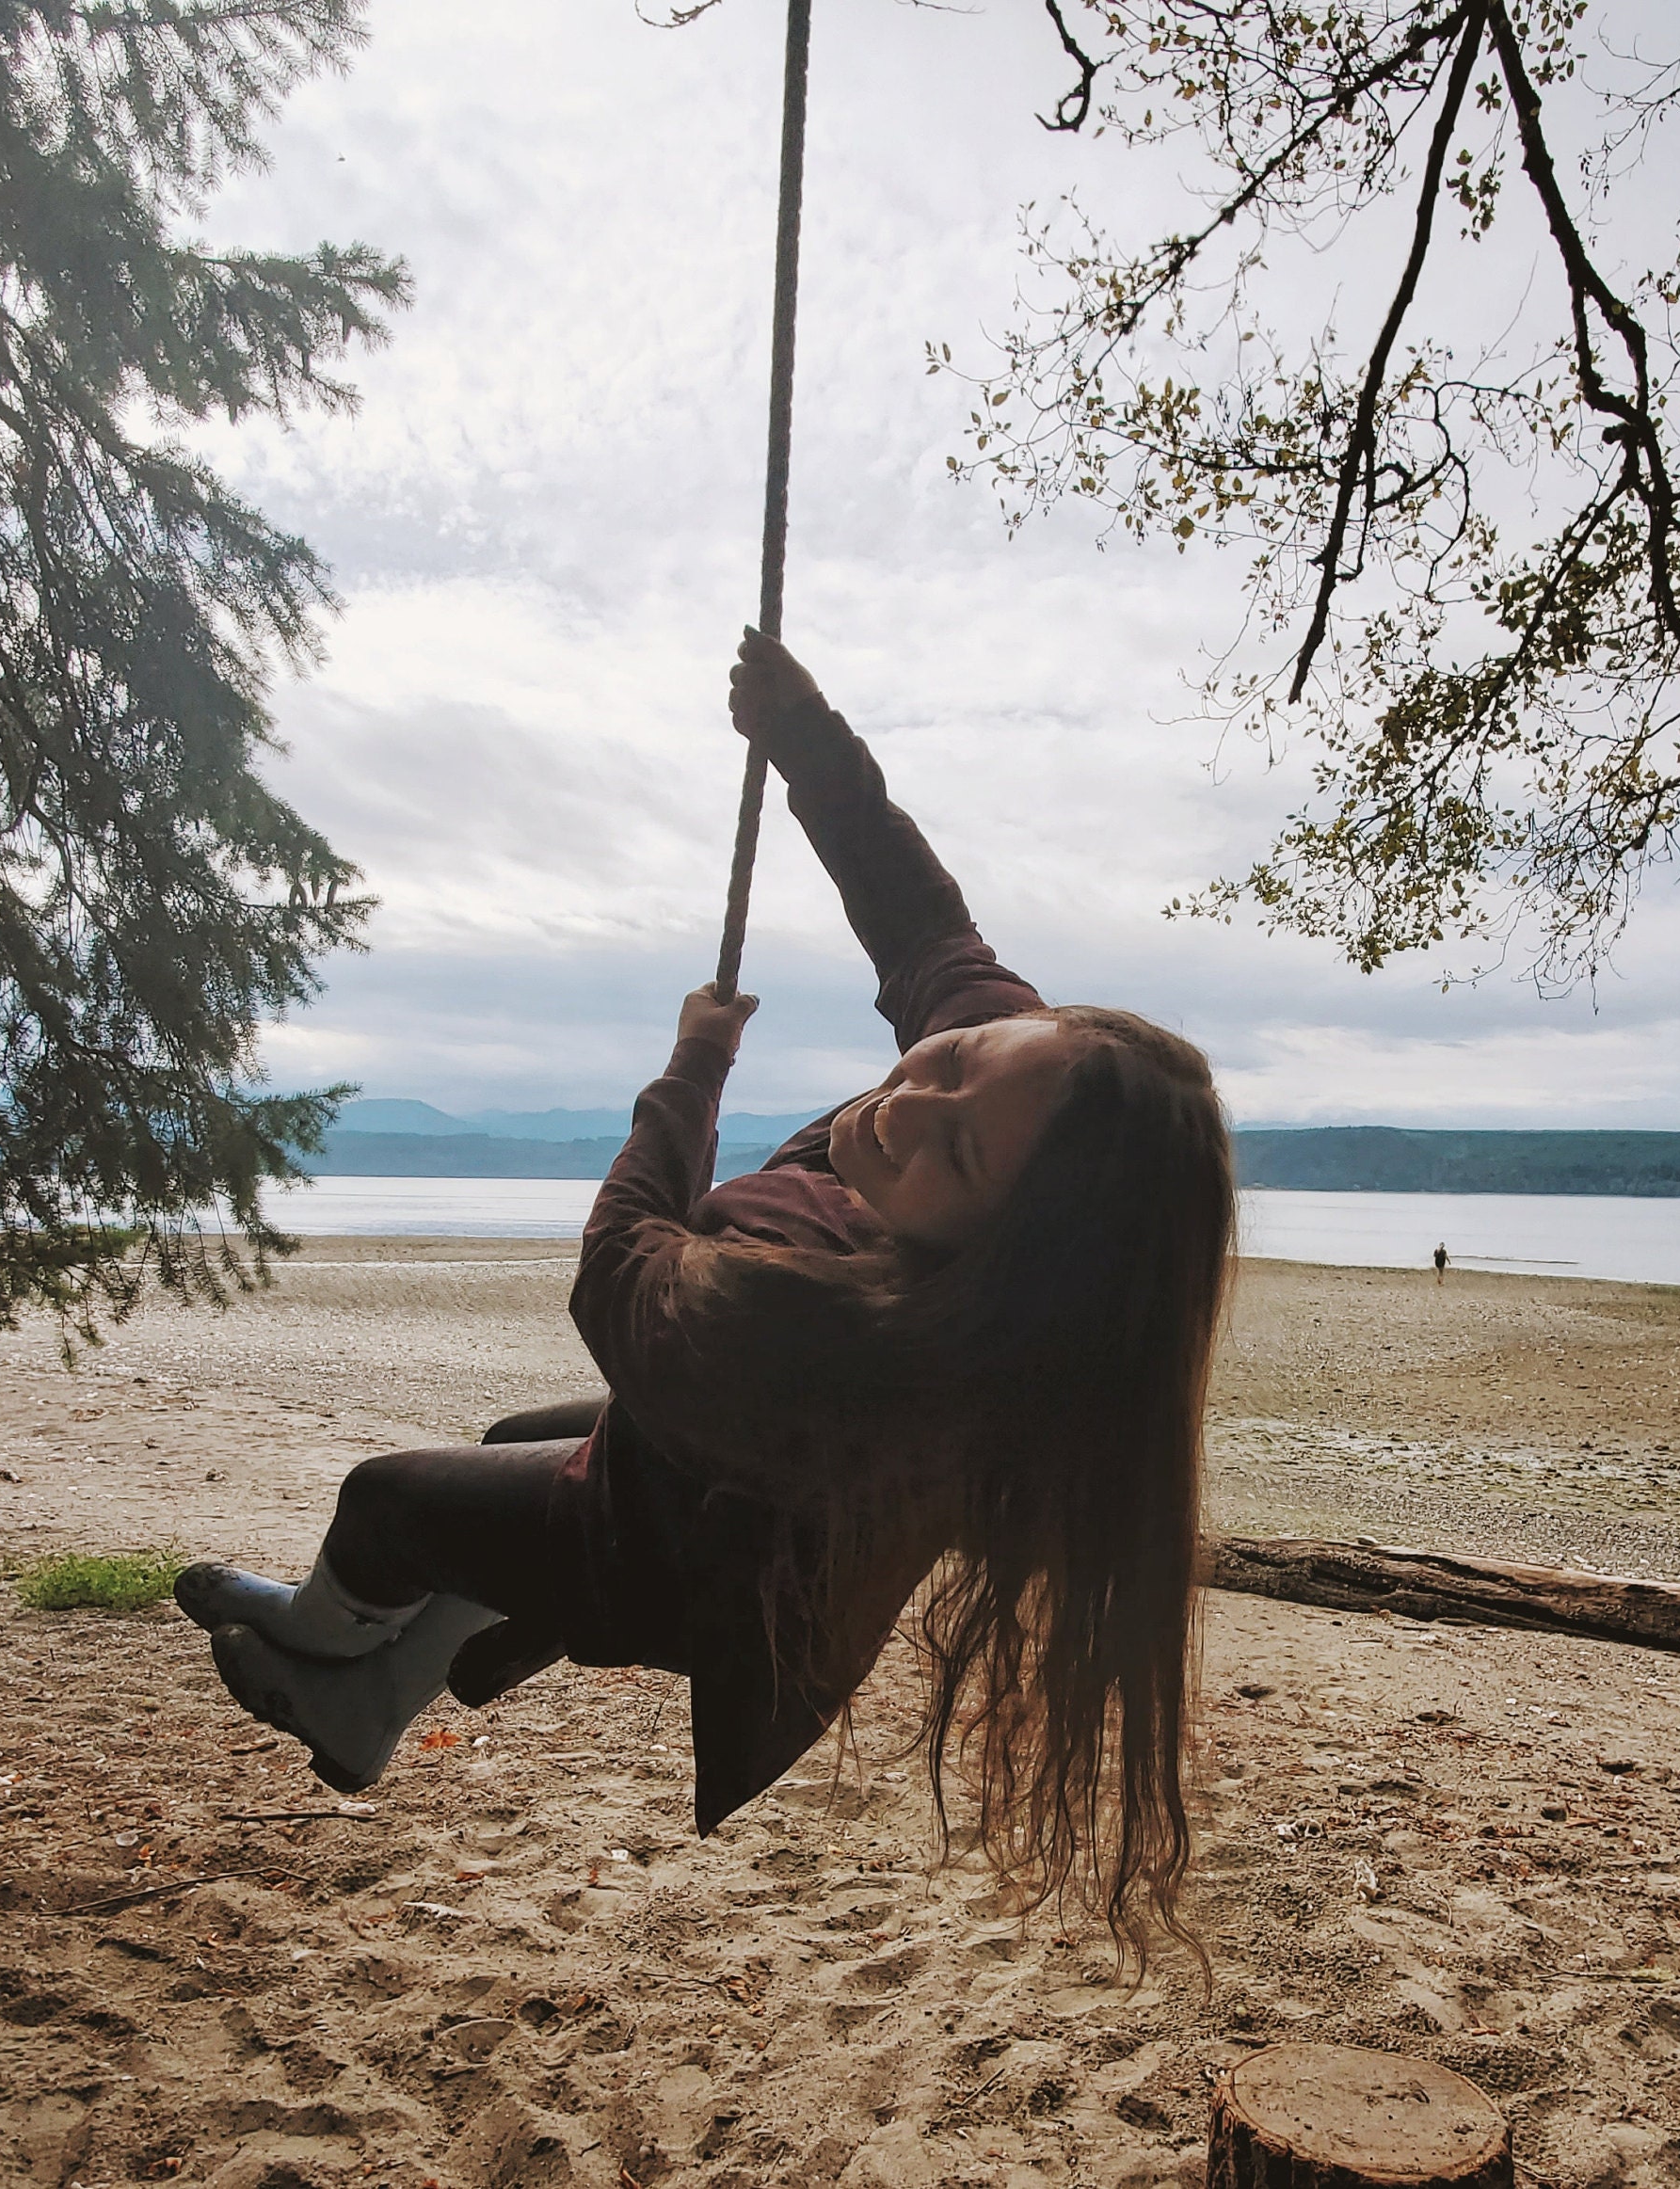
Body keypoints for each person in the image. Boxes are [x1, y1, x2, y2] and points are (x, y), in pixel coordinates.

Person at [180, 631, 1236, 1945]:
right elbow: (924, 924)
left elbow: (621, 1270)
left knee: (387, 1498)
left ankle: (329, 1656)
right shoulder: (1023, 1092)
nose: (913, 1098)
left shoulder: (832, 1328)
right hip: (702, 1473)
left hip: (693, 1568)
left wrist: (692, 1068)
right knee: (515, 1448)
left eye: (955, 1146)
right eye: (953, 1055)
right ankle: (383, 1697)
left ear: (1004, 1257)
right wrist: (808, 737)